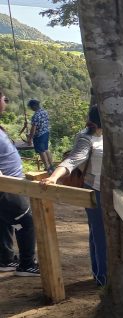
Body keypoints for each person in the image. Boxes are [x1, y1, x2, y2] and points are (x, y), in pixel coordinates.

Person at [41, 106, 106, 286]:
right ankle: (103, 278)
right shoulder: (86, 138)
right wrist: (53, 177)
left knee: (97, 232)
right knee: (100, 234)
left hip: (108, 190)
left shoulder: (112, 134)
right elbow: (73, 159)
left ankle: (99, 274)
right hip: (95, 190)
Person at [0, 90, 40, 277]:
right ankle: (27, 264)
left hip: (8, 185)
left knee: (4, 222)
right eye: (4, 99)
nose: (6, 102)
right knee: (26, 222)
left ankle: (6, 260)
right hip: (8, 187)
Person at [26, 99, 53, 172]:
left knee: (41, 151)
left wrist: (30, 139)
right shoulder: (44, 112)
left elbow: (33, 129)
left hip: (39, 135)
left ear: (34, 106)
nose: (31, 108)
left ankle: (47, 168)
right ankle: (51, 166)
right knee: (46, 149)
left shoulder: (36, 115)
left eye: (31, 107)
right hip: (46, 133)